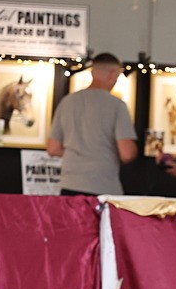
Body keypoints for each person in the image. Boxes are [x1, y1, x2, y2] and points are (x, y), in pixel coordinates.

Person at [46, 52, 137, 195]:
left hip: (70, 183)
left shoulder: (67, 102)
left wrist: (78, 154)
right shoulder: (117, 106)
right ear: (112, 74)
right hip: (103, 185)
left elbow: (52, 148)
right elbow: (126, 153)